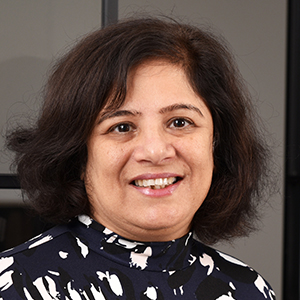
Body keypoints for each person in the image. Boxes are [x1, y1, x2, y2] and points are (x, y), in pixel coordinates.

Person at [0, 17, 276, 299]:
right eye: (121, 127)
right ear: (78, 156)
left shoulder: (247, 290)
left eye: (180, 122)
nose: (155, 151)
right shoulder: (14, 286)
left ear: (216, 145)